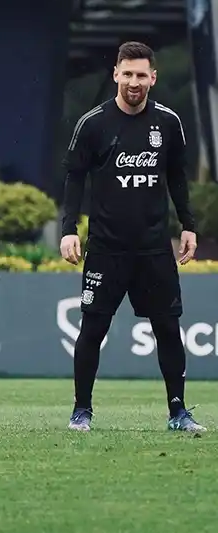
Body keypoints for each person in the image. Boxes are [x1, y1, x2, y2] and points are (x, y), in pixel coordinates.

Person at [60, 41, 205, 434]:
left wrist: (188, 225)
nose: (134, 82)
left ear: (153, 78)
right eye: (128, 74)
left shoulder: (169, 123)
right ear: (116, 75)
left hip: (154, 247)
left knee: (168, 329)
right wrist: (68, 230)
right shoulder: (93, 124)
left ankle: (178, 412)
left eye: (142, 75)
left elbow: (177, 176)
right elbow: (75, 177)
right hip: (106, 248)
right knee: (92, 328)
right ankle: (81, 412)